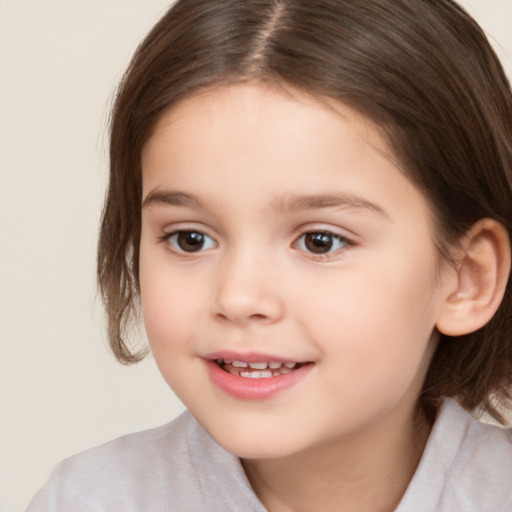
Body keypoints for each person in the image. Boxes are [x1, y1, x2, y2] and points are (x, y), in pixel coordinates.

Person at [27, 0, 512, 510]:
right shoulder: (88, 500)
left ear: (466, 278)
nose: (238, 297)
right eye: (190, 238)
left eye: (319, 241)